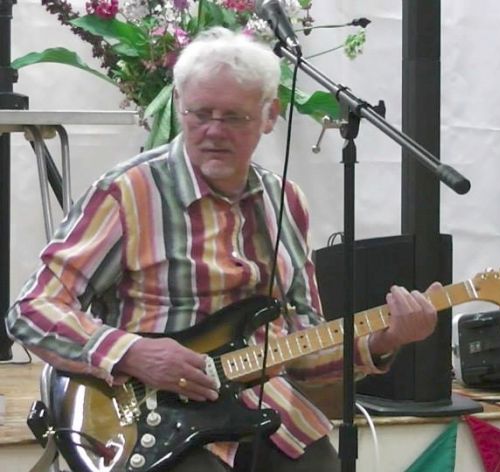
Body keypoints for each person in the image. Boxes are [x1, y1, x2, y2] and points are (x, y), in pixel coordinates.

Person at [5, 27, 439, 471]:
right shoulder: (128, 193)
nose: (213, 131)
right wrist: (133, 352)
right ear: (179, 103)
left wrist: (385, 339)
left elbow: (303, 351)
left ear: (269, 115)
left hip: (266, 412)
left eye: (234, 117)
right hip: (151, 420)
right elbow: (32, 309)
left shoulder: (286, 202)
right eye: (199, 114)